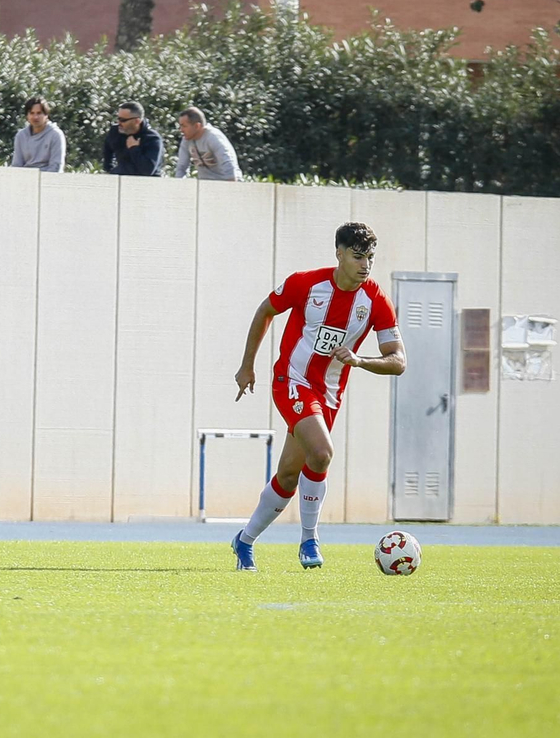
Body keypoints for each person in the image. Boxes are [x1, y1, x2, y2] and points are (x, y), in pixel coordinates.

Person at [230, 222, 406, 571]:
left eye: (370, 257)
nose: (365, 265)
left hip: (328, 394)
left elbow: (398, 361)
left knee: (288, 474)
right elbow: (265, 310)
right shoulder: (306, 284)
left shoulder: (375, 300)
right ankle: (310, 539)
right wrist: (247, 365)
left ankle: (244, 541)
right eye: (358, 257)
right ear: (339, 254)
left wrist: (359, 360)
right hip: (291, 380)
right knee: (322, 453)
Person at [172, 106, 241, 181]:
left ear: (197, 126)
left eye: (184, 126)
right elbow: (181, 167)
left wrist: (231, 187)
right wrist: (179, 185)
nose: (181, 130)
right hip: (205, 184)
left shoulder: (213, 137)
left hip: (227, 181)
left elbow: (228, 165)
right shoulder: (186, 140)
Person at [102, 100, 163, 176]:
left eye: (123, 120)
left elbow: (147, 170)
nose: (119, 123)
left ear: (137, 121)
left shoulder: (152, 138)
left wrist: (134, 148)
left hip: (146, 181)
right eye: (118, 118)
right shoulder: (115, 132)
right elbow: (107, 151)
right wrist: (109, 170)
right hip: (121, 178)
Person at [10, 96, 66, 172]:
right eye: (32, 113)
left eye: (39, 113)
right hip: (25, 177)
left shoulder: (55, 135)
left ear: (46, 115)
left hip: (47, 177)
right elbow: (16, 165)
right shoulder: (20, 136)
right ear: (27, 115)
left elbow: (56, 167)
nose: (35, 117)